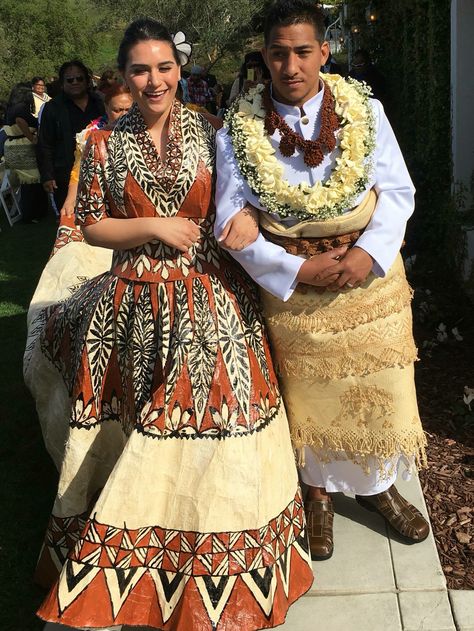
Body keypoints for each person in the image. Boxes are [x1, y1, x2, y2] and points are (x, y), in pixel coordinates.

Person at [25, 18, 313, 630]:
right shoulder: (100, 144)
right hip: (136, 288)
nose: (153, 80)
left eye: (164, 68)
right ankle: (138, 557)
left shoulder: (215, 134)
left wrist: (250, 225)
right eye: (139, 69)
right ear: (124, 76)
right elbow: (94, 226)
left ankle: (225, 556)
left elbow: (243, 204)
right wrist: (154, 226)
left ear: (179, 70)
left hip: (211, 285)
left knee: (224, 401)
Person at [215, 0, 429, 562]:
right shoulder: (237, 128)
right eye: (279, 53)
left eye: (303, 52)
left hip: (369, 283)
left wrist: (368, 253)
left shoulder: (365, 110)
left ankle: (379, 486)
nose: (291, 66)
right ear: (265, 55)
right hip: (294, 290)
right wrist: (296, 268)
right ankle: (318, 496)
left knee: (379, 384)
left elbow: (398, 191)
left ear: (324, 52)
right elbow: (228, 221)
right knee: (308, 395)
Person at [36, 59, 105, 213]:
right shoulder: (52, 108)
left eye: (79, 78)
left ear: (87, 81)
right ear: (62, 83)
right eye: (70, 79)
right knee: (70, 217)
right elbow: (45, 143)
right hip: (65, 174)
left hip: (101, 171)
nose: (75, 82)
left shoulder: (99, 102)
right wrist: (47, 175)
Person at [60, 82, 133, 217]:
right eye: (117, 110)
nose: (123, 115)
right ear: (106, 108)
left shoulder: (145, 131)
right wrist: (70, 200)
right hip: (102, 199)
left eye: (128, 110)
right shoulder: (90, 135)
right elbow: (78, 170)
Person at [3, 82, 48, 222]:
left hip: (10, 147)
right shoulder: (21, 109)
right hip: (23, 147)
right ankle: (32, 214)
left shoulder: (9, 108)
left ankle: (32, 212)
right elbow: (20, 121)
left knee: (26, 182)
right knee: (32, 181)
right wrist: (31, 138)